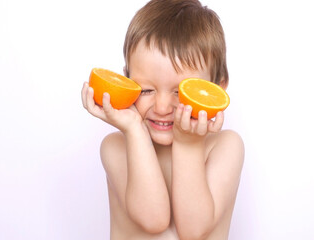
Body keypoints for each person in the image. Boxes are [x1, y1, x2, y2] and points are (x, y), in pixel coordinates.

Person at [81, 0, 244, 239]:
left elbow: (193, 230)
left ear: (216, 89)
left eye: (180, 92)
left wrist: (188, 143)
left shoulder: (226, 147)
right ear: (127, 82)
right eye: (146, 90)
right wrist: (134, 129)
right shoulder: (116, 148)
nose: (161, 107)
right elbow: (154, 220)